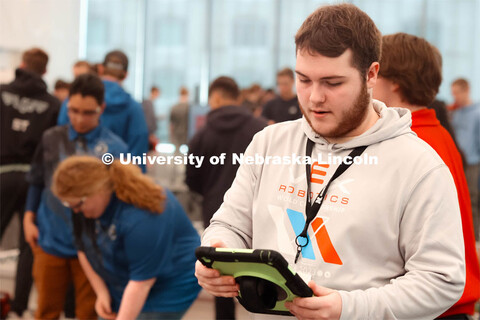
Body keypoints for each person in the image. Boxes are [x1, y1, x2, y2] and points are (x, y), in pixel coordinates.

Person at [195, 4, 465, 320]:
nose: (314, 97)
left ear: (371, 75)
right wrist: (216, 255)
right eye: (304, 80)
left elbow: (442, 280)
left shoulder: (419, 166)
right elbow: (230, 224)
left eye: (332, 83)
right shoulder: (269, 142)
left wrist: (348, 309)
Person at [373, 32, 480, 319]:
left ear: (393, 82)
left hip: (433, 306)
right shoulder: (437, 133)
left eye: (373, 73)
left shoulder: (412, 144)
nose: (366, 83)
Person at [23, 74, 128, 320]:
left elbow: (120, 200)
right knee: (45, 311)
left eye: (88, 112)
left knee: (89, 313)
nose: (79, 119)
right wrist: (29, 219)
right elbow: (37, 181)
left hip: (94, 247)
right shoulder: (51, 138)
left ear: (101, 109)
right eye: (74, 110)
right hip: (51, 240)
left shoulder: (115, 148)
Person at [51, 155, 201, 320]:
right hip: (127, 278)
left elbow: (141, 284)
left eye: (77, 205)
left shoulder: (142, 215)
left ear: (97, 190)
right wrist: (101, 292)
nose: (75, 211)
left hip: (168, 285)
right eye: (69, 205)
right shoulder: (81, 205)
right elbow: (82, 248)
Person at [186, 76, 267, 320]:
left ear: (216, 98)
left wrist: (212, 194)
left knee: (221, 281)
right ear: (238, 97)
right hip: (257, 211)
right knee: (263, 273)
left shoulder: (201, 135)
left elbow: (192, 179)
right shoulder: (262, 131)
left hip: (215, 211)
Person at [0, 47, 60, 318]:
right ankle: (19, 308)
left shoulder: (1, 92)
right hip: (33, 181)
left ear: (22, 64)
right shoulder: (53, 104)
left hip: (2, 174)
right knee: (28, 245)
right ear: (45, 71)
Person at [58, 50, 149, 165]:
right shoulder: (134, 109)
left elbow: (61, 137)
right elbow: (137, 157)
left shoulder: (74, 101)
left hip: (71, 172)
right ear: (126, 75)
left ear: (100, 69)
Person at [449, 78, 480, 241]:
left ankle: (475, 240)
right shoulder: (455, 113)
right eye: (453, 93)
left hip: (473, 163)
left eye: (457, 93)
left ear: (466, 90)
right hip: (458, 162)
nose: (455, 97)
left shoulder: (477, 113)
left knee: (472, 201)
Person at [169, 86, 190, 151]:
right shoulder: (190, 108)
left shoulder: (174, 107)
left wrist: (171, 137)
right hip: (187, 135)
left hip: (176, 134)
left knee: (177, 156)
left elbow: (171, 124)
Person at [142, 86, 160, 150]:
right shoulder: (147, 103)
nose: (158, 95)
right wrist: (150, 134)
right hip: (148, 133)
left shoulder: (150, 103)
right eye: (157, 93)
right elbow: (148, 120)